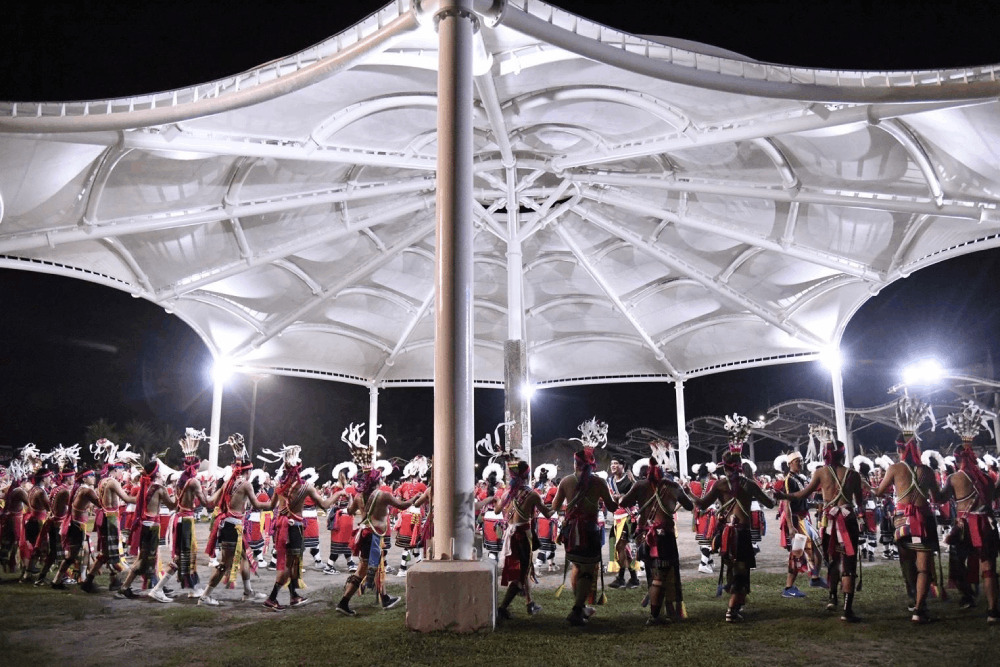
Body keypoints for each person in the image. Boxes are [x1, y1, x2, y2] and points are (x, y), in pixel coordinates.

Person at [777, 440, 864, 621]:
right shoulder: (853, 475)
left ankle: (832, 598)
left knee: (832, 559)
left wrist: (783, 496)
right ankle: (847, 610)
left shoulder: (821, 473)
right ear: (843, 455)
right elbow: (860, 503)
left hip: (829, 520)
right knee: (848, 563)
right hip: (848, 520)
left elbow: (802, 495)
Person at [694, 448, 775, 622]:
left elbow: (701, 504)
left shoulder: (720, 484)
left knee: (732, 567)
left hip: (726, 534)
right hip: (742, 533)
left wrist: (686, 494)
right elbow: (769, 504)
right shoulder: (750, 484)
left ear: (725, 468)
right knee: (741, 570)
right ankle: (732, 610)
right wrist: (774, 495)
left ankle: (737, 603)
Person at [619, 444, 694, 625]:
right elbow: (690, 506)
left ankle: (660, 612)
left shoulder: (640, 485)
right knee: (664, 575)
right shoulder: (673, 486)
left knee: (655, 575)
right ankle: (656, 615)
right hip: (663, 536)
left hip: (644, 536)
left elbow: (624, 502)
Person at [199, 436, 277, 607]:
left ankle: (248, 591)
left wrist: (201, 493)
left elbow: (210, 501)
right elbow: (257, 504)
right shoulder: (245, 484)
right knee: (224, 564)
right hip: (232, 526)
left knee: (245, 558)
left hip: (229, 525)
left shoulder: (228, 482)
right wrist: (274, 502)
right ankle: (205, 596)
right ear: (248, 471)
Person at [875, 429, 944, 623]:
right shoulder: (927, 471)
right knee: (923, 567)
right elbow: (937, 498)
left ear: (900, 449)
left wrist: (870, 488)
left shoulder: (895, 469)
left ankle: (914, 597)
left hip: (901, 521)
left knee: (907, 562)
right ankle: (919, 609)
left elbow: (880, 492)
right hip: (923, 519)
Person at [550, 448, 619, 626]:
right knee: (587, 572)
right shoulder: (599, 483)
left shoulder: (566, 481)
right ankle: (576, 610)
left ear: (575, 464)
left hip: (571, 532)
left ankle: (580, 608)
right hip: (588, 531)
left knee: (577, 566)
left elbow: (555, 506)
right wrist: (617, 499)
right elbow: (612, 507)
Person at [335, 464, 413, 615]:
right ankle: (343, 602)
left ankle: (384, 598)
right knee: (362, 570)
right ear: (377, 481)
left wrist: (351, 498)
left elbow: (350, 511)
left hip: (365, 534)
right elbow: (403, 505)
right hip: (373, 537)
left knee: (377, 567)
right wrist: (416, 498)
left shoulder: (358, 496)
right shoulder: (383, 495)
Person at [264, 453, 336, 611]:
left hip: (281, 527)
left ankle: (293, 596)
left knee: (290, 563)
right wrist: (339, 494)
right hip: (294, 528)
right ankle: (272, 598)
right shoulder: (305, 487)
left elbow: (270, 507)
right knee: (289, 565)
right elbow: (324, 503)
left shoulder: (278, 487)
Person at [940, 440, 999, 622]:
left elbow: (939, 498)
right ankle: (992, 611)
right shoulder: (987, 478)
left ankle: (967, 596)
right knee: (988, 567)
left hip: (964, 527)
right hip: (987, 525)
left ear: (957, 461)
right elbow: (994, 498)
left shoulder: (954, 478)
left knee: (957, 564)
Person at [496, 459, 553, 620]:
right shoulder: (532, 494)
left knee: (523, 570)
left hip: (510, 535)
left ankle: (529, 603)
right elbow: (548, 513)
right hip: (523, 535)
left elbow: (497, 509)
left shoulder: (507, 493)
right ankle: (503, 608)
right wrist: (559, 503)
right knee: (522, 572)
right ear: (527, 475)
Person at [116, 459, 177, 602]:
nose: (162, 474)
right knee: (148, 559)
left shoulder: (145, 486)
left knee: (145, 559)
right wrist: (176, 492)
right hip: (151, 527)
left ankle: (128, 588)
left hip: (144, 526)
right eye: (160, 471)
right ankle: (156, 588)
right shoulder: (159, 489)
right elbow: (172, 506)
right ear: (156, 474)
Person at [81, 457, 136, 594]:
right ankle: (119, 581)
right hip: (110, 519)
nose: (122, 474)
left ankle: (90, 581)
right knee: (112, 553)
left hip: (105, 517)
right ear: (115, 470)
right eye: (121, 471)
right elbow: (127, 499)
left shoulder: (102, 481)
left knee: (105, 553)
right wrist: (144, 498)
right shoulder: (112, 482)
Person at [778, 451, 826, 597]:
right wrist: (791, 526)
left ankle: (815, 578)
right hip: (796, 521)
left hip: (805, 519)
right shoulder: (788, 480)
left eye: (801, 460)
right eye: (797, 461)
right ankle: (788, 588)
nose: (800, 463)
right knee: (798, 554)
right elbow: (787, 503)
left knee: (818, 548)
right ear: (790, 463)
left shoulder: (799, 478)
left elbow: (803, 499)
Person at [171, 435, 214, 596]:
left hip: (180, 518)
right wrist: (218, 494)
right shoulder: (193, 482)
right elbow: (206, 503)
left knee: (183, 553)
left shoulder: (181, 480)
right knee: (189, 553)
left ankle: (189, 586)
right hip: (187, 520)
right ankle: (192, 587)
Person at [52, 468, 98, 589]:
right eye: (91, 476)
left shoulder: (80, 489)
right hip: (78, 526)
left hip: (78, 524)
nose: (94, 478)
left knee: (85, 552)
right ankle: (58, 580)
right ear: (84, 479)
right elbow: (100, 503)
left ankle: (82, 579)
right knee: (72, 556)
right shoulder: (87, 491)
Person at [607, 457, 639, 589]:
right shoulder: (610, 480)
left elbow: (637, 496)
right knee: (621, 549)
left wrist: (622, 497)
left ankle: (627, 578)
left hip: (628, 517)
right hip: (617, 517)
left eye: (616, 463)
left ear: (623, 466)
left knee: (621, 547)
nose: (613, 466)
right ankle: (628, 578)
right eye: (612, 463)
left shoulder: (629, 480)